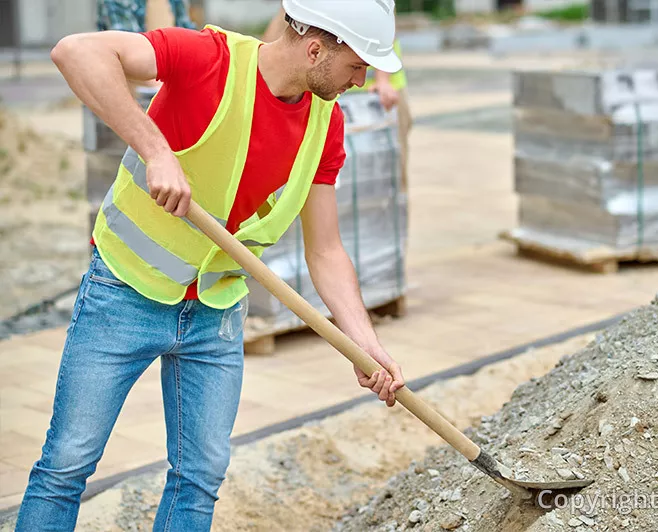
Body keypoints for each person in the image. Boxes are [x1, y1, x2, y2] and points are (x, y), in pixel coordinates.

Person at [15, 1, 405, 530]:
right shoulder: (208, 58)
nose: (362, 81)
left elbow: (326, 250)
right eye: (358, 66)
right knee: (66, 466)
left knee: (200, 479)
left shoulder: (325, 124)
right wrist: (155, 149)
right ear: (316, 48)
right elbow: (75, 51)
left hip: (216, 314)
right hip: (125, 293)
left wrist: (364, 343)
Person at [263, 6, 413, 191]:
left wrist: (383, 79)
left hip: (376, 92)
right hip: (321, 81)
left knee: (383, 174)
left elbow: (382, 21)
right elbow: (285, 25)